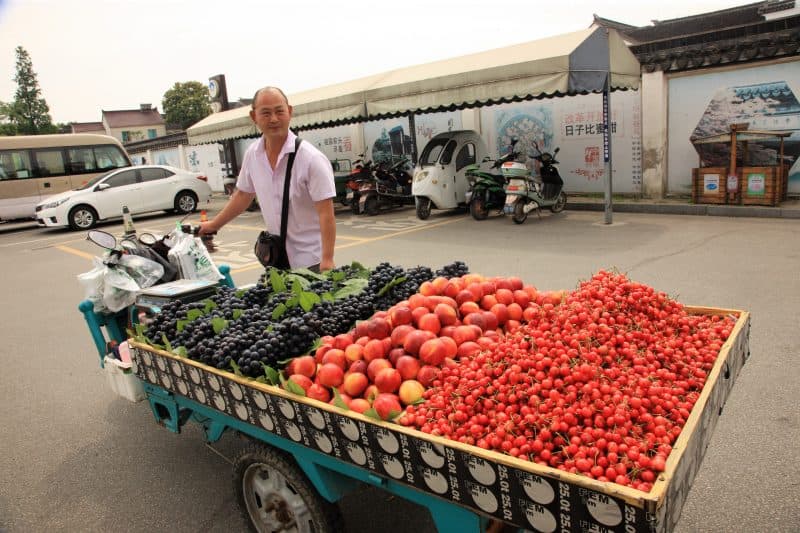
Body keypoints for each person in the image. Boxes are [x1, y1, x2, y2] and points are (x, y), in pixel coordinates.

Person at [199, 86, 337, 271]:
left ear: (289, 111)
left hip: (311, 261)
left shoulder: (311, 158)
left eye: (279, 111)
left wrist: (327, 259)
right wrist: (213, 225)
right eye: (265, 113)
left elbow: (326, 213)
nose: (273, 119)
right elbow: (243, 196)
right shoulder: (253, 155)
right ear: (253, 116)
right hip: (276, 260)